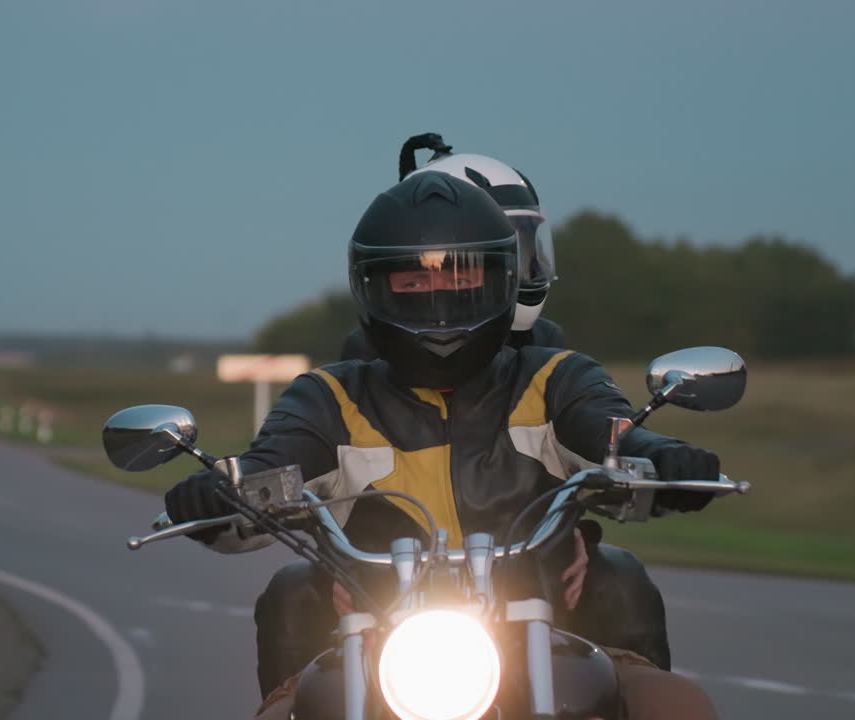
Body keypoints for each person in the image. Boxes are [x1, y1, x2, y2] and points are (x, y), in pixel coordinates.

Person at [165, 171, 719, 719]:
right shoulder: (330, 397)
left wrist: (662, 457)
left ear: (502, 281)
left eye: (463, 278)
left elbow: (612, 431)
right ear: (372, 288)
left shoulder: (554, 378)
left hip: (546, 627)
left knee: (677, 705)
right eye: (412, 282)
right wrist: (224, 489)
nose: (440, 297)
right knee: (292, 657)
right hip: (372, 639)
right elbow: (275, 461)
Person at [341, 132, 563, 363]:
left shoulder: (544, 345)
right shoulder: (375, 353)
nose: (523, 267)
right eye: (415, 282)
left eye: (525, 247)